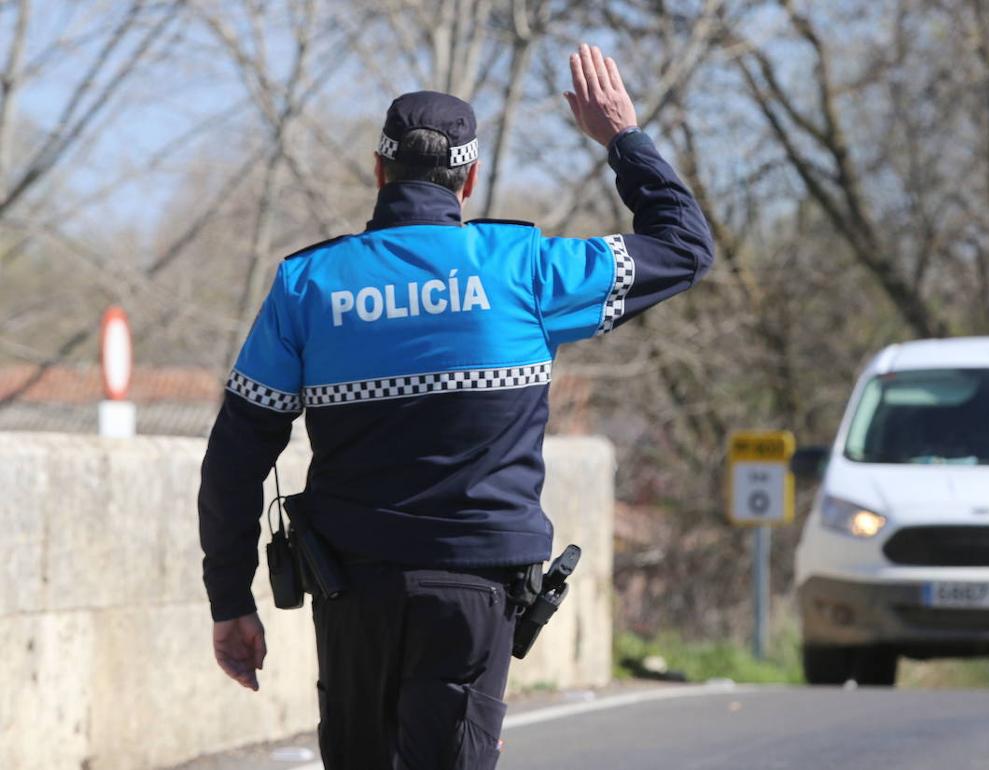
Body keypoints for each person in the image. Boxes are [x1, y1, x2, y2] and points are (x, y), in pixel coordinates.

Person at [197, 45, 714, 770]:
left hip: (353, 589)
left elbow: (234, 458)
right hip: (477, 593)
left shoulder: (307, 286)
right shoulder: (527, 271)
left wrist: (230, 599)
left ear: (380, 172)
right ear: (468, 180)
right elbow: (685, 246)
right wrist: (623, 139)